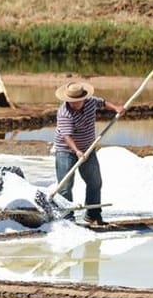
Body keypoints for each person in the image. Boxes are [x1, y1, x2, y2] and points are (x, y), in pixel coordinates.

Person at [53, 81, 124, 226]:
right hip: (66, 151)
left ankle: (93, 216)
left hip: (88, 148)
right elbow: (67, 137)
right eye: (72, 102)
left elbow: (103, 103)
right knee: (65, 186)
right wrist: (77, 151)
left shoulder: (91, 102)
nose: (75, 104)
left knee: (95, 182)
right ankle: (67, 219)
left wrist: (116, 108)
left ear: (83, 98)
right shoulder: (64, 113)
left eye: (77, 101)